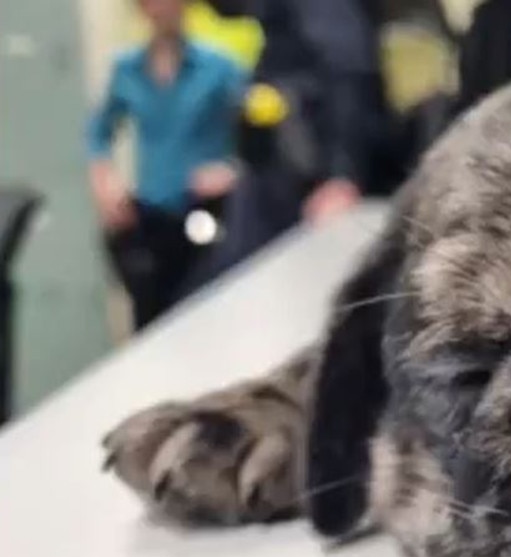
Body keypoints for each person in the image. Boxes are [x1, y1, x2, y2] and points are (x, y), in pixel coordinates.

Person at [188, 0, 397, 288]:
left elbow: (350, 72)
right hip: (280, 177)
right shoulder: (273, 21)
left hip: (316, 187)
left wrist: (343, 175)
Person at [87, 0, 247, 328]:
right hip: (150, 216)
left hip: (205, 214)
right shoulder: (126, 69)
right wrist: (105, 181)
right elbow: (98, 134)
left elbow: (262, 132)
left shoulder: (219, 67)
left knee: (206, 317)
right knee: (148, 321)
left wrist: (233, 170)